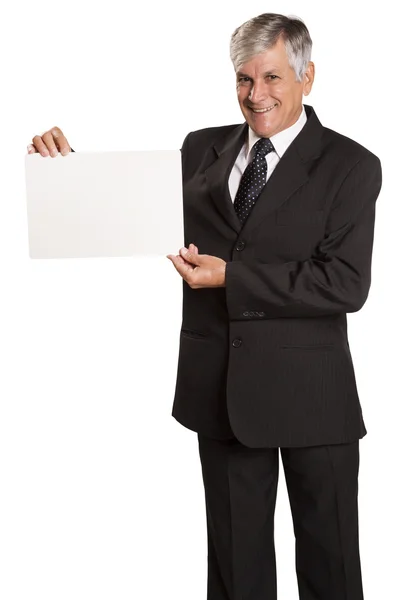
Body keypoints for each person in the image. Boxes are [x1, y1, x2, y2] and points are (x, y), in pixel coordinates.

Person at [28, 12, 382, 600]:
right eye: (243, 79)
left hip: (312, 395)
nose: (255, 95)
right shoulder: (202, 149)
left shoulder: (351, 165)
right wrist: (61, 172)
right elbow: (131, 209)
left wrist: (234, 278)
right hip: (222, 389)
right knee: (236, 569)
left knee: (331, 564)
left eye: (271, 78)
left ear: (307, 77)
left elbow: (345, 284)